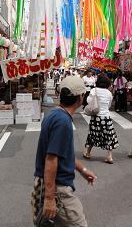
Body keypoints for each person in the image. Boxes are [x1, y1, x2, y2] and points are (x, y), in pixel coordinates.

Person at [33, 76, 97, 227]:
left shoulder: (55, 114)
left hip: (50, 186)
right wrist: (50, 198)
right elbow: (51, 159)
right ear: (80, 98)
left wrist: (83, 169)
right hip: (58, 189)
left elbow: (62, 154)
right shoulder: (63, 122)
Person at [83, 74, 119, 164]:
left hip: (96, 117)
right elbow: (109, 105)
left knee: (92, 135)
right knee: (109, 136)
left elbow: (89, 101)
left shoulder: (93, 90)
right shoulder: (109, 93)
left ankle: (87, 153)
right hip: (106, 117)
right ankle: (109, 156)